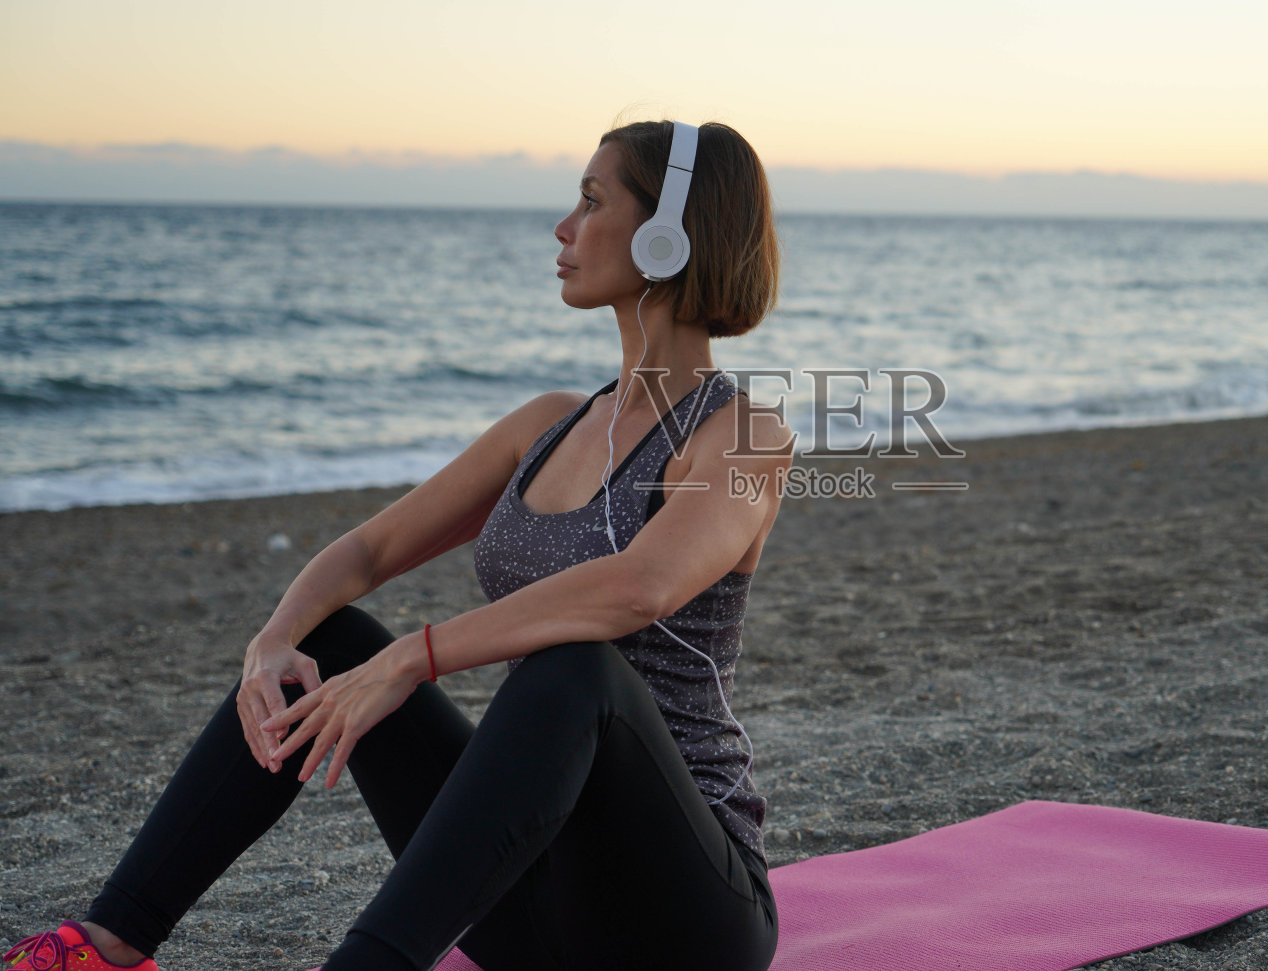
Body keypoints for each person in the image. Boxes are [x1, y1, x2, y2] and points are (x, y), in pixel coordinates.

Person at [3, 120, 792, 971]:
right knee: (327, 637)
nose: (562, 229)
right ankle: (109, 945)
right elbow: (368, 552)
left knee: (578, 667)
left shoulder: (745, 436)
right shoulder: (547, 425)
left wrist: (415, 657)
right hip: (531, 897)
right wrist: (273, 643)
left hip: (683, 917)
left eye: (592, 202)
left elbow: (641, 586)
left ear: (669, 233)